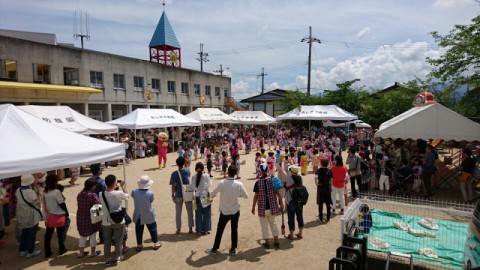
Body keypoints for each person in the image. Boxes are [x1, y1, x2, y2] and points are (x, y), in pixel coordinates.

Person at [205, 165, 248, 256]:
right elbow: (246, 196)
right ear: (236, 173)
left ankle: (215, 248)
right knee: (234, 229)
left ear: (228, 172)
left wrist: (209, 195)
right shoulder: (239, 184)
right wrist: (238, 195)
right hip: (235, 210)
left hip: (224, 211)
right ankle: (233, 249)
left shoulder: (222, 183)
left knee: (220, 230)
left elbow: (213, 193)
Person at [251, 163, 284, 249]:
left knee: (264, 225)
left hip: (262, 207)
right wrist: (281, 203)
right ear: (267, 170)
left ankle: (267, 242)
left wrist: (253, 207)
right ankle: (276, 241)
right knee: (273, 223)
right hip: (272, 206)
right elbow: (278, 194)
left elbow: (256, 196)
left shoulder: (258, 182)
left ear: (260, 171)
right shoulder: (272, 180)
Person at [100, 174, 129, 266]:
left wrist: (115, 186)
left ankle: (107, 258)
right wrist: (122, 186)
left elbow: (108, 192)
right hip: (118, 220)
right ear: (113, 183)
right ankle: (118, 256)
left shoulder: (101, 194)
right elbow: (127, 196)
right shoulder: (118, 193)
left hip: (106, 221)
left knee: (107, 240)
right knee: (118, 239)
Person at [132, 175, 162, 251]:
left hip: (138, 214)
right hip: (148, 213)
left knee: (138, 230)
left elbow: (133, 196)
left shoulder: (134, 191)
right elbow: (151, 201)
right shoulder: (150, 193)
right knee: (152, 228)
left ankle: (139, 244)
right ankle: (155, 243)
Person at [43, 174, 69, 259]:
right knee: (60, 233)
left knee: (48, 234)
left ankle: (47, 251)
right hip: (59, 215)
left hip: (50, 216)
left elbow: (44, 206)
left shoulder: (45, 192)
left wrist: (45, 218)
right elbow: (62, 203)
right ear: (55, 182)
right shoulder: (56, 192)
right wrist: (66, 213)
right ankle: (61, 248)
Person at [16, 175, 42, 258]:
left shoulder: (18, 190)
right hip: (30, 214)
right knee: (32, 233)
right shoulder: (30, 191)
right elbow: (37, 201)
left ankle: (22, 250)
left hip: (21, 213)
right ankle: (30, 251)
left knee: (24, 232)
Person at [76, 177, 102, 258]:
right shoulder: (92, 195)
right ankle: (93, 252)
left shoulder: (80, 194)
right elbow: (98, 204)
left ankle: (81, 252)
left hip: (80, 217)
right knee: (93, 235)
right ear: (92, 186)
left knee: (82, 236)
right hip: (90, 217)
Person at [170, 157, 194, 234]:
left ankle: (178, 228)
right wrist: (186, 163)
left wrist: (172, 195)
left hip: (178, 194)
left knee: (178, 212)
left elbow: (173, 186)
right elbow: (188, 168)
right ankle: (190, 228)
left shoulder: (174, 173)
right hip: (187, 192)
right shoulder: (187, 170)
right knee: (189, 211)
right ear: (184, 163)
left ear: (177, 164)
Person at [191, 162, 212, 235]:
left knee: (198, 214)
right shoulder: (206, 175)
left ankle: (199, 230)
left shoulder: (193, 177)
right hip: (204, 195)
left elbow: (193, 187)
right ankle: (206, 230)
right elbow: (209, 185)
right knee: (206, 213)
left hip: (196, 195)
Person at [284, 166, 304, 240]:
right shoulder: (300, 177)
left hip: (291, 199)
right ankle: (300, 233)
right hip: (299, 199)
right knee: (300, 216)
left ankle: (291, 234)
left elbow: (286, 186)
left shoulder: (289, 178)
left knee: (291, 217)